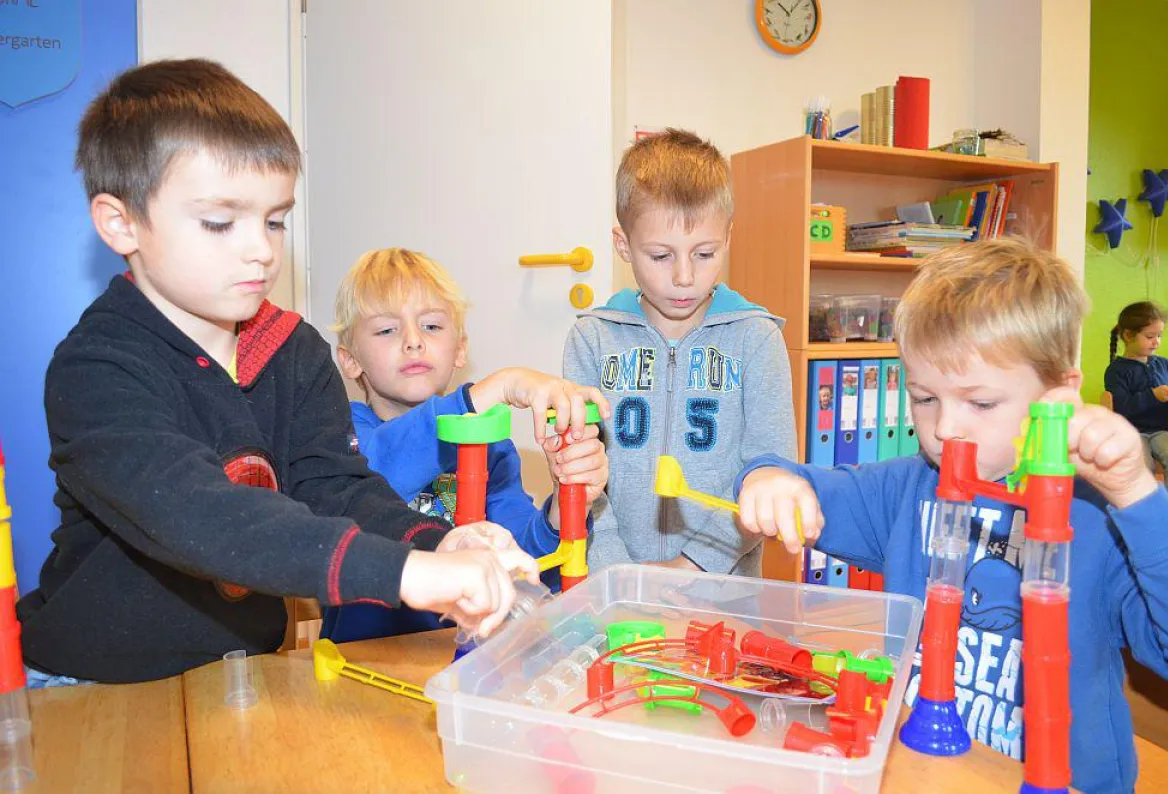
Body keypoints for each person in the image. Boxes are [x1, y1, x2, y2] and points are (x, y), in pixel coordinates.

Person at [17, 59, 535, 684]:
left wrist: (435, 544)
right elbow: (199, 515)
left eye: (274, 219)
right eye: (219, 222)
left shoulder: (293, 351)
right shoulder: (97, 367)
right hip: (93, 682)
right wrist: (405, 574)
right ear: (121, 222)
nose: (261, 249)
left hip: (239, 671)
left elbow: (337, 489)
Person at [734, 239, 1168, 794]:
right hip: (925, 771)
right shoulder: (907, 488)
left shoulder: (1101, 518)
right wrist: (767, 479)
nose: (946, 427)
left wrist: (1136, 494)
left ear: (1060, 396)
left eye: (980, 403)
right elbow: (803, 484)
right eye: (925, 398)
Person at [320, 248, 610, 641]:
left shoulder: (488, 444)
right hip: (364, 656)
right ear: (350, 359)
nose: (413, 342)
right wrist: (496, 387)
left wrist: (565, 504)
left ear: (460, 350)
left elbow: (523, 559)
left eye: (432, 327)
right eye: (387, 330)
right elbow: (379, 471)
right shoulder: (343, 432)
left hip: (465, 655)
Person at [564, 129, 796, 577]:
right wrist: (617, 573)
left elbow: (769, 471)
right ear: (623, 246)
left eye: (705, 253)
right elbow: (579, 474)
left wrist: (691, 568)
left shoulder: (756, 338)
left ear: (728, 238)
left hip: (724, 588)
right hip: (611, 581)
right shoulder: (592, 338)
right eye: (661, 256)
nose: (685, 276)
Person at [1105, 300, 1168, 488]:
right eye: (1150, 336)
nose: (1157, 341)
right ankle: (1145, 512)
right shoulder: (1116, 371)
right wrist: (1153, 396)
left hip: (1161, 431)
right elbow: (1122, 408)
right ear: (1129, 336)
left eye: (1159, 335)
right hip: (1132, 432)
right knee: (1142, 467)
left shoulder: (1163, 364)